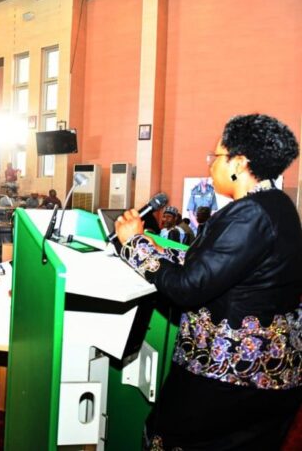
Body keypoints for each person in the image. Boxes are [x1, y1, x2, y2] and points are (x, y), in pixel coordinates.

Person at [114, 114, 302, 450]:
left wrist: (134, 243)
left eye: (215, 157)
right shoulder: (275, 206)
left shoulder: (251, 213)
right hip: (259, 377)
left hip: (230, 378)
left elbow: (190, 287)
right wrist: (161, 251)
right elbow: (221, 271)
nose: (210, 166)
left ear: (239, 163)